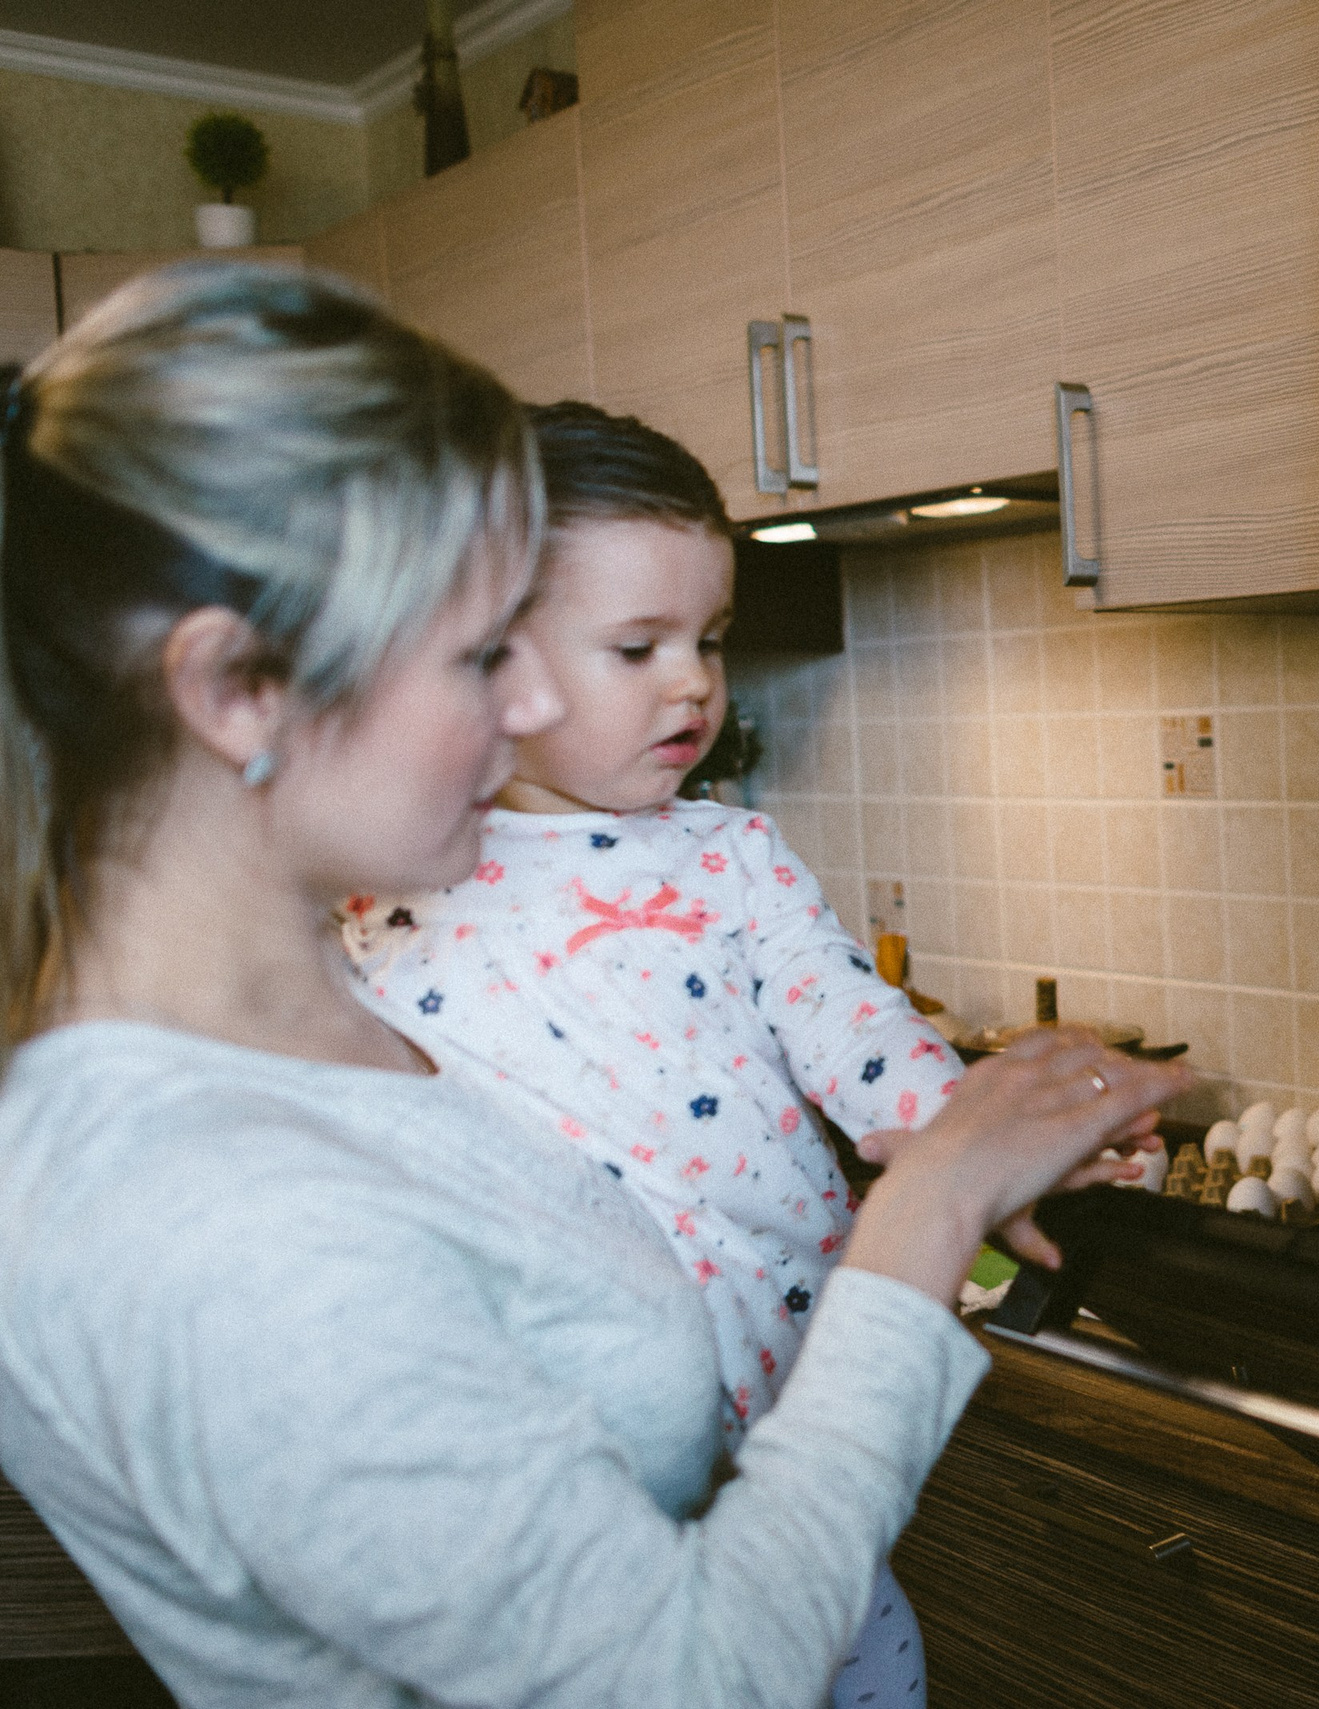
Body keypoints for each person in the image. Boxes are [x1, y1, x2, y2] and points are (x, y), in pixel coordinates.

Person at [0, 262, 1183, 1708]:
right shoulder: (210, 1220)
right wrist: (930, 1200)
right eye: (482, 650)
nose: (538, 709)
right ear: (239, 687)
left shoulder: (309, 1037)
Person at [340, 401, 955, 1705]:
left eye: (710, 640)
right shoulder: (393, 886)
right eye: (639, 645)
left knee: (856, 1656)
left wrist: (946, 1126)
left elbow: (851, 1017)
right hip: (578, 1453)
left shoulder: (732, 857)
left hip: (797, 1428)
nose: (692, 681)